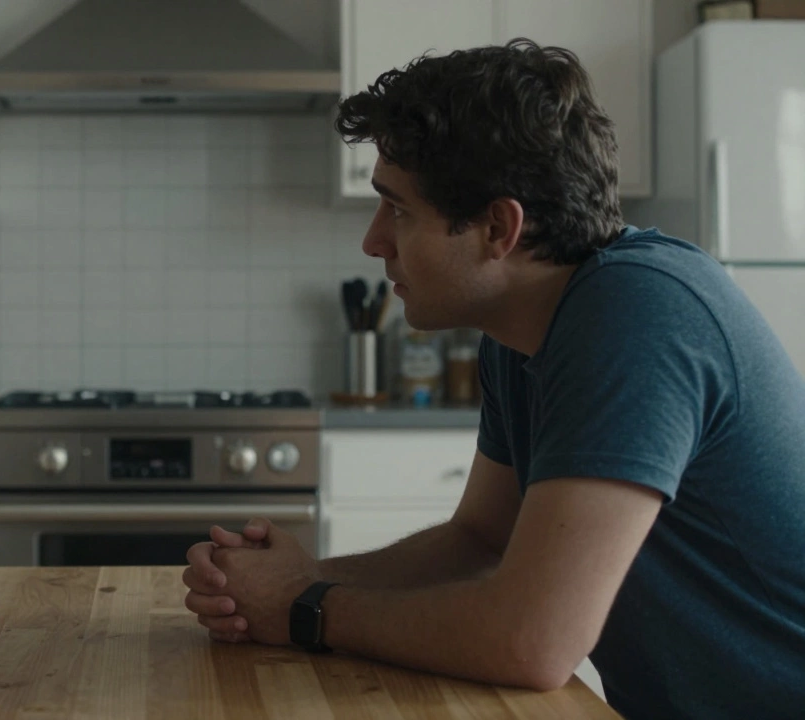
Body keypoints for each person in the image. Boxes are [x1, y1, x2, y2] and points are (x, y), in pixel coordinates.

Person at [182, 39, 805, 720]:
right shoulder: (526, 330)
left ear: (497, 229)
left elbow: (532, 642)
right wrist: (303, 578)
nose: (373, 240)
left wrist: (305, 609)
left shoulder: (638, 312)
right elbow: (481, 540)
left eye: (399, 210)